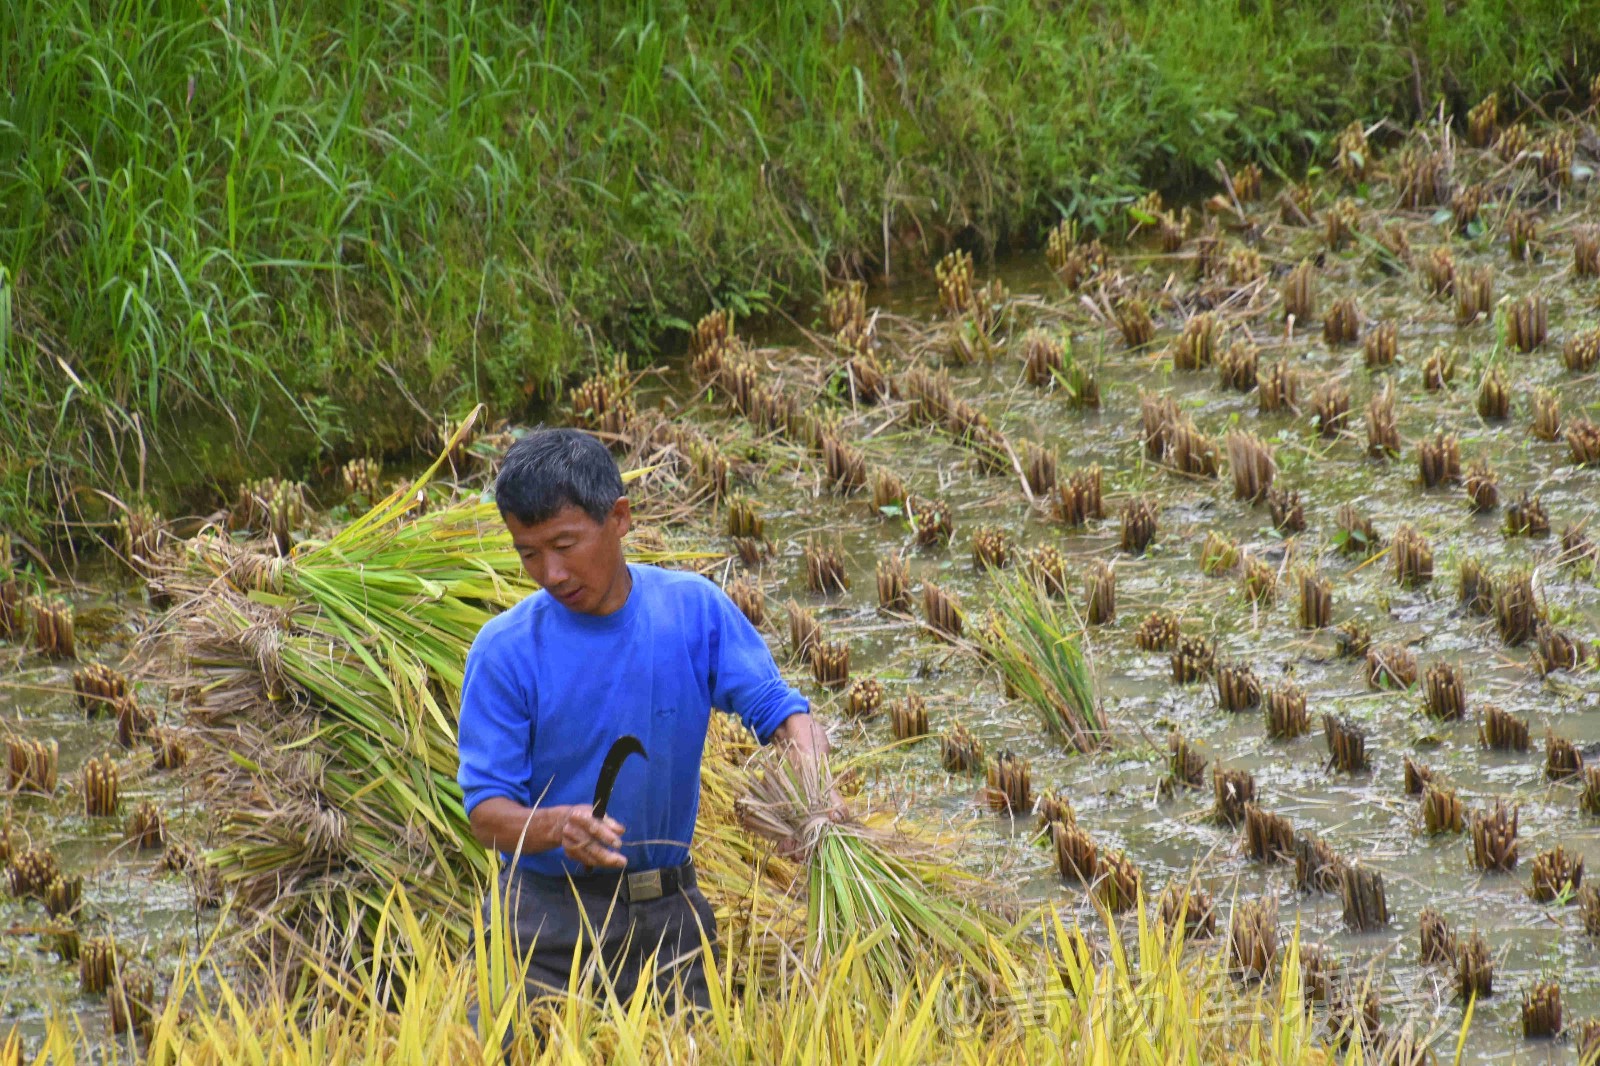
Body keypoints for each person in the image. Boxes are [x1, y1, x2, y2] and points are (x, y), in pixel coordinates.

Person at [457, 427, 834, 1024]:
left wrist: (812, 792)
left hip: (669, 921)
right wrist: (556, 827)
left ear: (621, 518)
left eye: (564, 544)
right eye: (529, 553)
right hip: (540, 929)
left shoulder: (691, 611)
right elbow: (485, 814)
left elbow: (786, 715)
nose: (550, 573)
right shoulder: (504, 653)